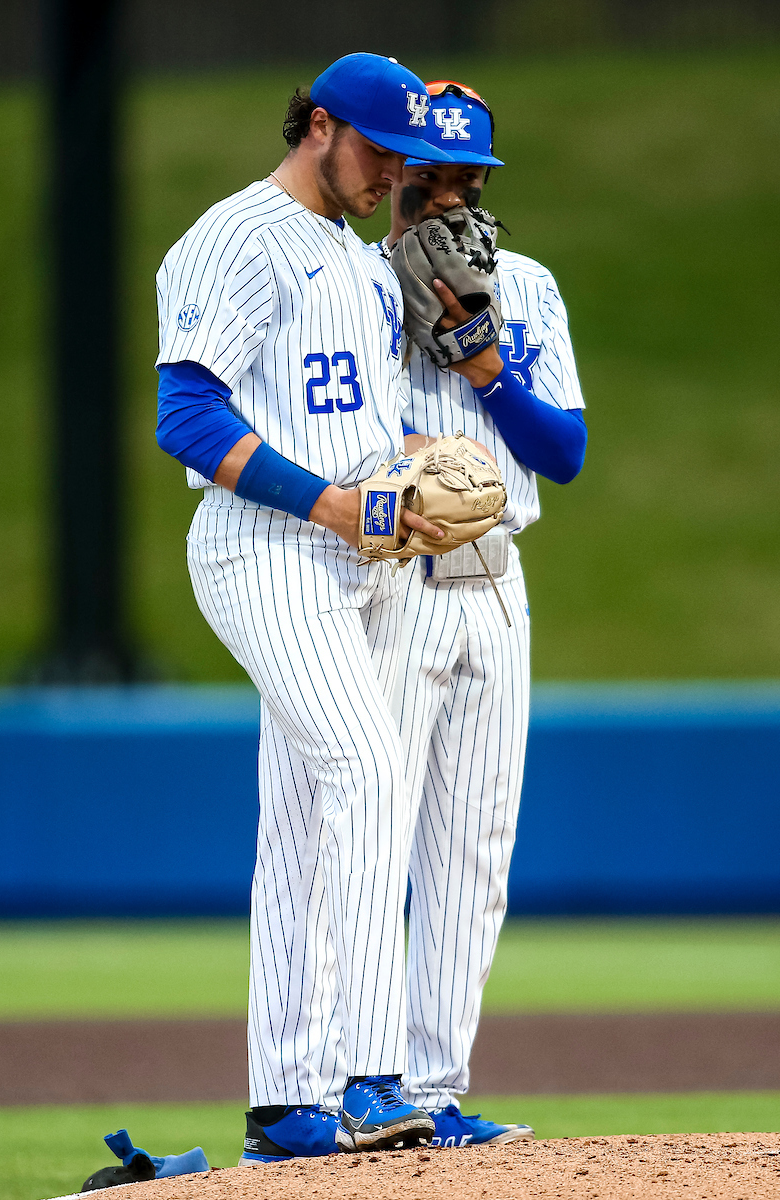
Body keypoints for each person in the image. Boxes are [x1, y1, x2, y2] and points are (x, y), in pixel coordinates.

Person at [154, 53, 454, 1161]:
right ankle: (371, 1077)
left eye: (401, 157)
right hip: (267, 550)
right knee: (370, 772)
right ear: (319, 125)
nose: (389, 174)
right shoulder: (235, 236)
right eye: (377, 149)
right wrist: (330, 500)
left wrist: (416, 461)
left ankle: (285, 1101)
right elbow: (184, 413)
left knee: (297, 824)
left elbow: (351, 416)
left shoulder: (357, 259)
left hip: (356, 556)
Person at [382, 80, 587, 1147]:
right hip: (388, 588)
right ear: (389, 175)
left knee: (472, 849)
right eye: (429, 178)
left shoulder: (529, 285)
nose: (451, 199)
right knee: (370, 837)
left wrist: (488, 369)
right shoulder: (357, 290)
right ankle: (344, 1086)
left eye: (469, 178)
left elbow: (563, 451)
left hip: (495, 583)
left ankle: (429, 1095)